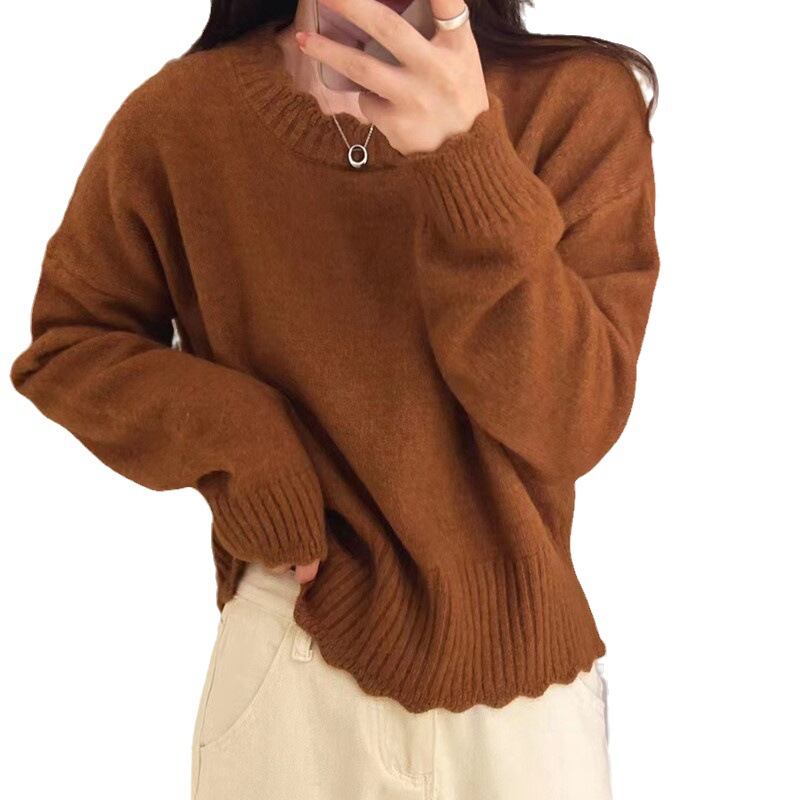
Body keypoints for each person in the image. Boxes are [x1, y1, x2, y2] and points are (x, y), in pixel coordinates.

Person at [9, 0, 660, 797]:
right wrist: (244, 441)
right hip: (291, 659)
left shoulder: (576, 100)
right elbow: (70, 343)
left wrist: (465, 158)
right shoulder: (183, 115)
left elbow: (571, 423)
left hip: (524, 687)